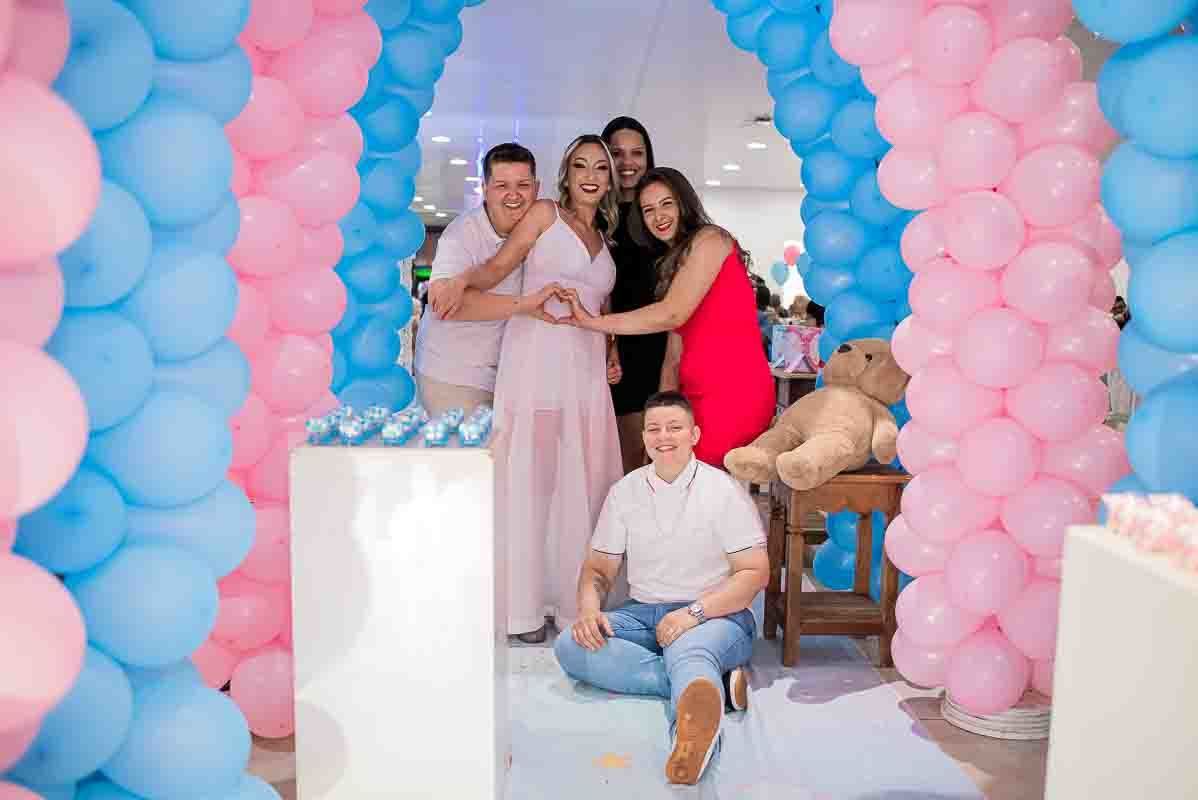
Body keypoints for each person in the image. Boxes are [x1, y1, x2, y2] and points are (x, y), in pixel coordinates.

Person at [428, 135, 625, 643]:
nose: (590, 176)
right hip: (535, 356)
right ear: (564, 175)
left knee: (578, 481)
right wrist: (457, 283)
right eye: (580, 165)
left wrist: (611, 349)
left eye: (600, 167)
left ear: (609, 179)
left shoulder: (604, 236)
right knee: (531, 481)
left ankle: (572, 602)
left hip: (584, 367)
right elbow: (499, 266)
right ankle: (522, 608)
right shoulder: (543, 214)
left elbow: (598, 303)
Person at [554, 391, 768, 786]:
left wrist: (693, 614)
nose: (663, 436)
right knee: (571, 644)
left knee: (688, 649)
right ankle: (711, 685)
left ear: (694, 434)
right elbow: (598, 569)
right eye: (653, 429)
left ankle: (688, 742)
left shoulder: (723, 491)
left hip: (715, 614)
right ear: (644, 437)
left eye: (674, 427)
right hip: (643, 613)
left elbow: (754, 573)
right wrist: (588, 611)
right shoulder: (625, 491)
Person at [559, 166, 775, 469]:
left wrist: (591, 322)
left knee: (704, 484)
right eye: (648, 210)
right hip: (693, 397)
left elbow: (671, 314)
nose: (658, 216)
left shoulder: (711, 239)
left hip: (733, 391)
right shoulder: (673, 266)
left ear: (683, 203)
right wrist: (661, 421)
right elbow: (672, 358)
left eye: (666, 204)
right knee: (678, 482)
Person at [413, 143, 559, 417]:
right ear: (484, 188)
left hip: (505, 375)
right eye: (502, 185)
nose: (513, 195)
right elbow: (444, 305)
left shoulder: (540, 230)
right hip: (452, 373)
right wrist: (525, 305)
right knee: (466, 446)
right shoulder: (462, 234)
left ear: (537, 188)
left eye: (523, 185)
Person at [602, 117, 669, 474]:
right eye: (617, 153)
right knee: (608, 461)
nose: (627, 162)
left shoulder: (659, 218)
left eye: (637, 153)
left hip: (654, 349)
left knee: (645, 459)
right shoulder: (593, 217)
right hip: (604, 347)